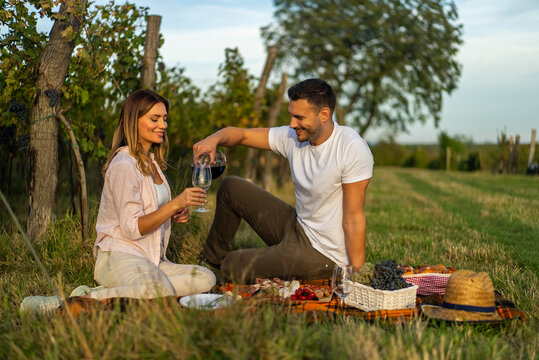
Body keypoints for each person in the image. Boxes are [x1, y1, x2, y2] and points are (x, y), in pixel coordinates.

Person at [21, 90, 216, 314]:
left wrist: (173, 213)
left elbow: (152, 212)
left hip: (151, 259)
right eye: (154, 119)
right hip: (118, 256)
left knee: (205, 279)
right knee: (156, 288)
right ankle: (59, 305)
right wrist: (173, 204)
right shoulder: (124, 163)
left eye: (164, 119)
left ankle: (124, 290)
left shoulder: (153, 163)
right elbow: (132, 228)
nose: (162, 125)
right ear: (134, 121)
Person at [194, 78, 373, 284]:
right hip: (297, 226)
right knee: (231, 187)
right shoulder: (294, 137)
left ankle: (226, 270)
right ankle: (209, 262)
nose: (292, 124)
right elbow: (242, 135)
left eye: (299, 117)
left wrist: (357, 276)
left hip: (323, 254)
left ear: (324, 114)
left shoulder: (351, 148)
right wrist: (213, 139)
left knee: (233, 265)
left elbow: (354, 218)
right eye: (291, 115)